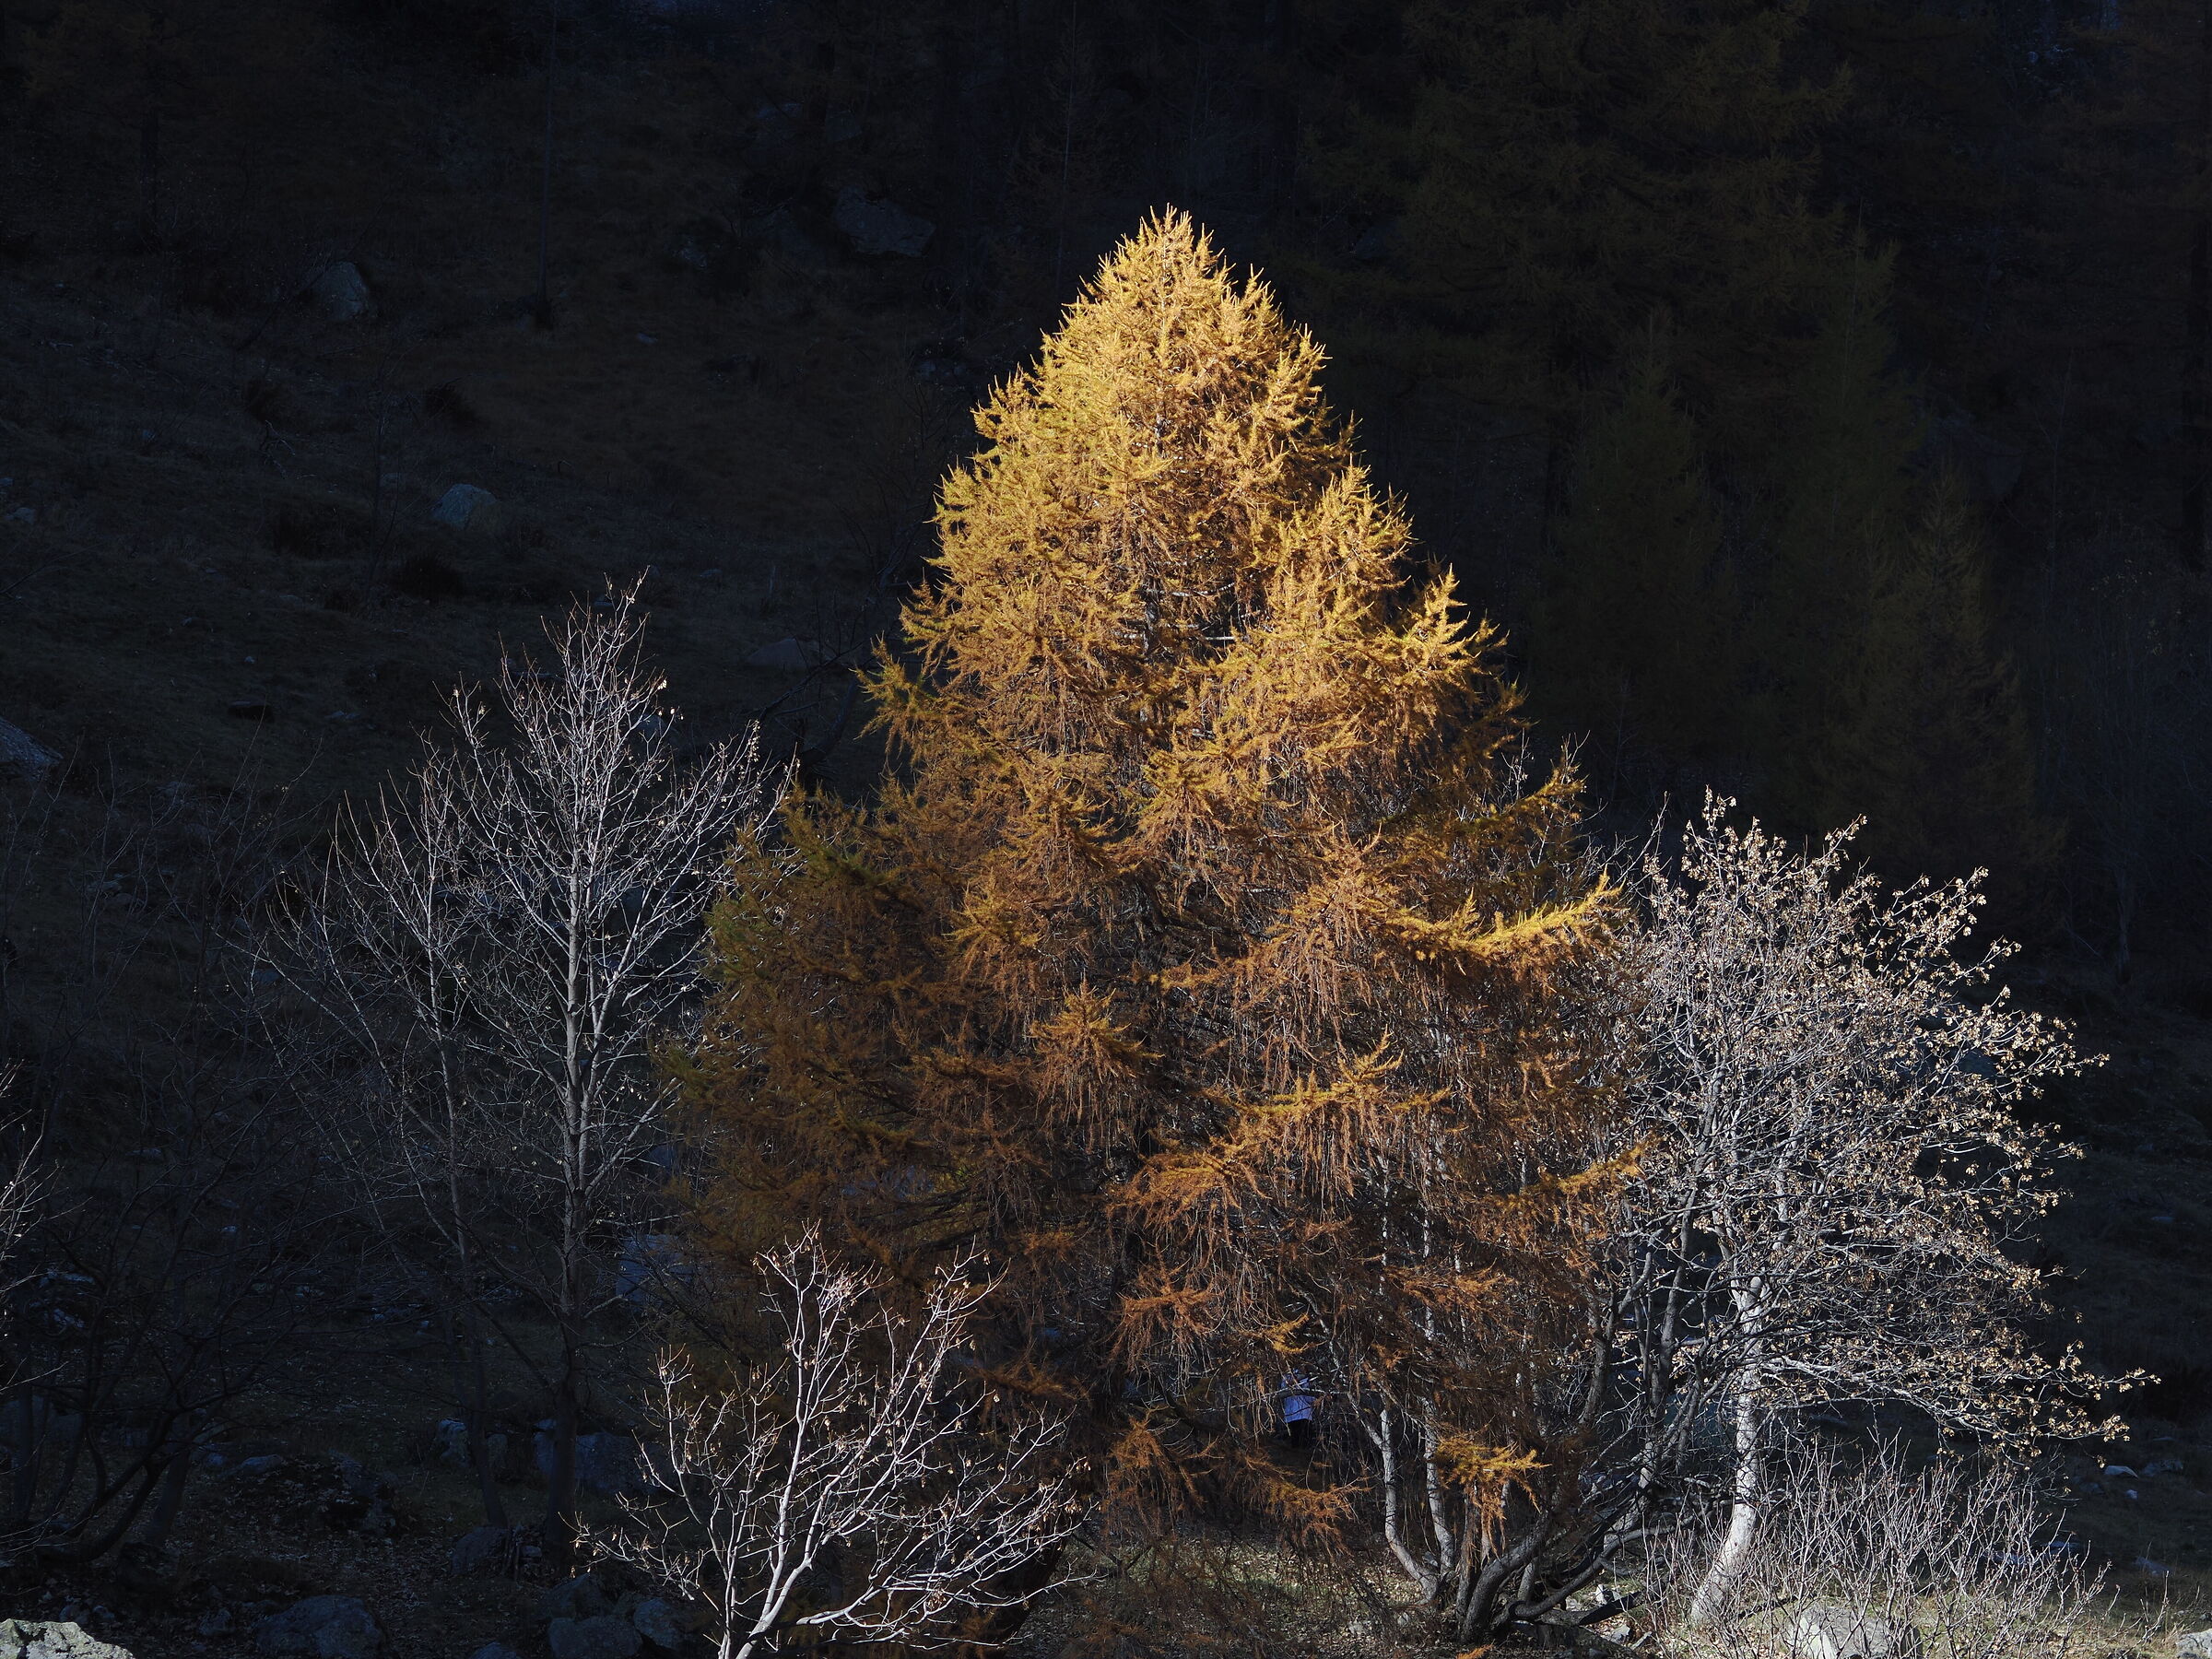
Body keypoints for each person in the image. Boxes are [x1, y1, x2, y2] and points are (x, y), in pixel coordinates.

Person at [1281, 1374, 1314, 1449]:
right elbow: (1309, 1398)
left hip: (1290, 1415)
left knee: (1295, 1442)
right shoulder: (1305, 1376)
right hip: (1304, 1414)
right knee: (1305, 1443)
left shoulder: (1285, 1376)